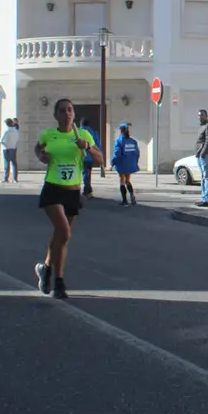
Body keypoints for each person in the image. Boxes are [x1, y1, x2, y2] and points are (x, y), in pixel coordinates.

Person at [35, 99, 103, 299]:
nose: (67, 114)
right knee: (64, 231)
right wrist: (42, 156)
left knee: (61, 236)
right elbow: (38, 148)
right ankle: (56, 278)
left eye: (70, 110)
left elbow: (100, 161)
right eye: (62, 111)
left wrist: (87, 147)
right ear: (56, 115)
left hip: (73, 191)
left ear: (74, 113)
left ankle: (50, 272)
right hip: (53, 188)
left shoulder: (83, 135)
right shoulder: (49, 135)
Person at [111, 122, 140, 206]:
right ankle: (132, 195)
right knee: (128, 180)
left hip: (122, 164)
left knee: (122, 181)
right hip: (130, 164)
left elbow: (117, 154)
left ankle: (124, 200)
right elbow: (137, 153)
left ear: (121, 130)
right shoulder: (133, 141)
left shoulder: (119, 141)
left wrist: (112, 163)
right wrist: (135, 162)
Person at [77, 117, 100, 198]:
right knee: (88, 173)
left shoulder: (78, 132)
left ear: (81, 124)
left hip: (80, 156)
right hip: (91, 156)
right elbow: (97, 145)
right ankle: (88, 190)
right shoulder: (93, 133)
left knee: (84, 173)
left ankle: (87, 190)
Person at [0, 118, 20, 183]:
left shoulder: (6, 131)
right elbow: (17, 139)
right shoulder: (16, 131)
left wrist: (4, 144)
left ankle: (6, 178)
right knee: (14, 163)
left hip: (6, 148)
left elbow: (1, 140)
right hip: (13, 148)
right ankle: (15, 179)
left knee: (6, 163)